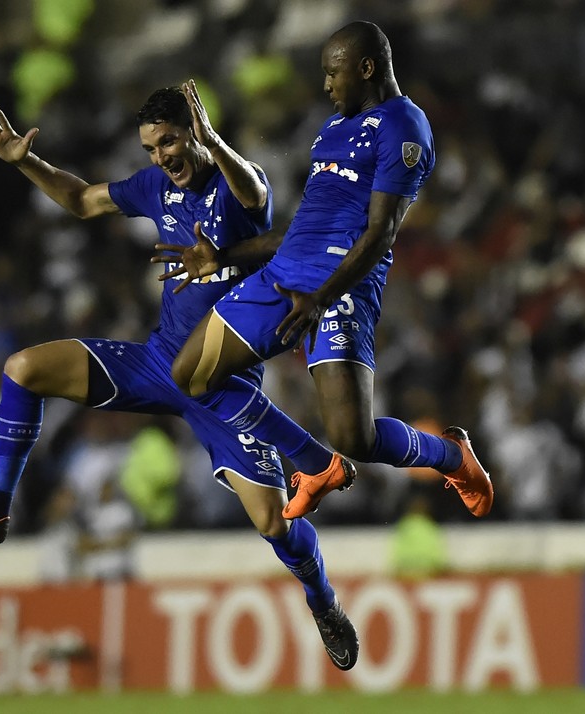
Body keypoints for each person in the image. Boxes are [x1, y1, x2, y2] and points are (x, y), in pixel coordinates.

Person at [0, 83, 358, 670]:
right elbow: (81, 201)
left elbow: (254, 188)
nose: (160, 157)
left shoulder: (235, 182)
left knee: (274, 523)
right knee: (22, 369)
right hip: (157, 363)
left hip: (220, 382)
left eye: (170, 141)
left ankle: (323, 600)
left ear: (194, 133)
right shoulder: (155, 186)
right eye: (151, 147)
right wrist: (28, 164)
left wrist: (211, 143)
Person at [163, 21, 494, 520]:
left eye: (333, 73)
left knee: (353, 437)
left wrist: (321, 296)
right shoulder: (333, 128)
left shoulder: (405, 125)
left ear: (366, 69)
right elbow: (303, 230)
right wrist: (224, 257)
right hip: (281, 277)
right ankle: (315, 466)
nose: (326, 85)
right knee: (189, 376)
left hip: (339, 290)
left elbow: (380, 232)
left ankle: (451, 456)